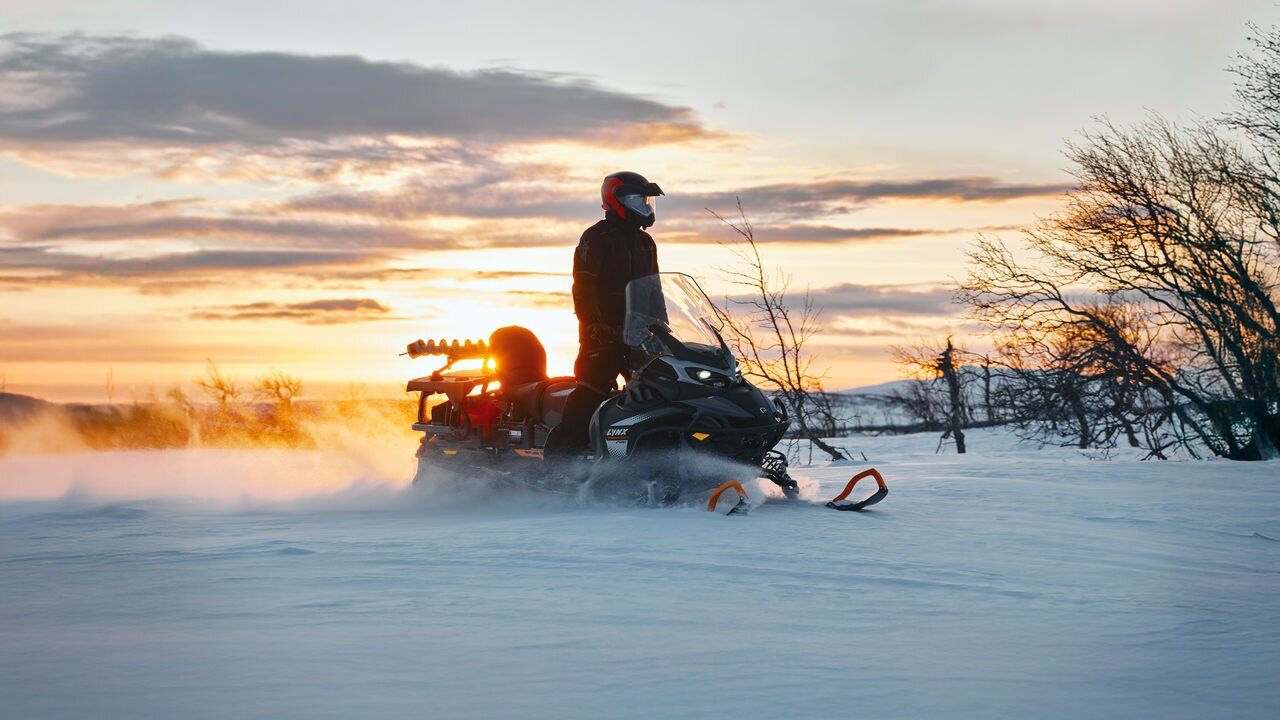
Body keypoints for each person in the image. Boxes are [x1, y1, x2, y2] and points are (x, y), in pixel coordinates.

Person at [544, 171, 664, 459]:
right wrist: (594, 323)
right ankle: (561, 462)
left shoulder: (646, 243)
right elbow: (583, 285)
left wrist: (662, 328)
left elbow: (655, 290)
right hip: (603, 335)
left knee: (657, 392)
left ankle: (650, 454)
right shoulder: (596, 238)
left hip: (640, 336)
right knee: (593, 390)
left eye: (646, 201)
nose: (645, 206)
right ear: (617, 200)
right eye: (638, 199)